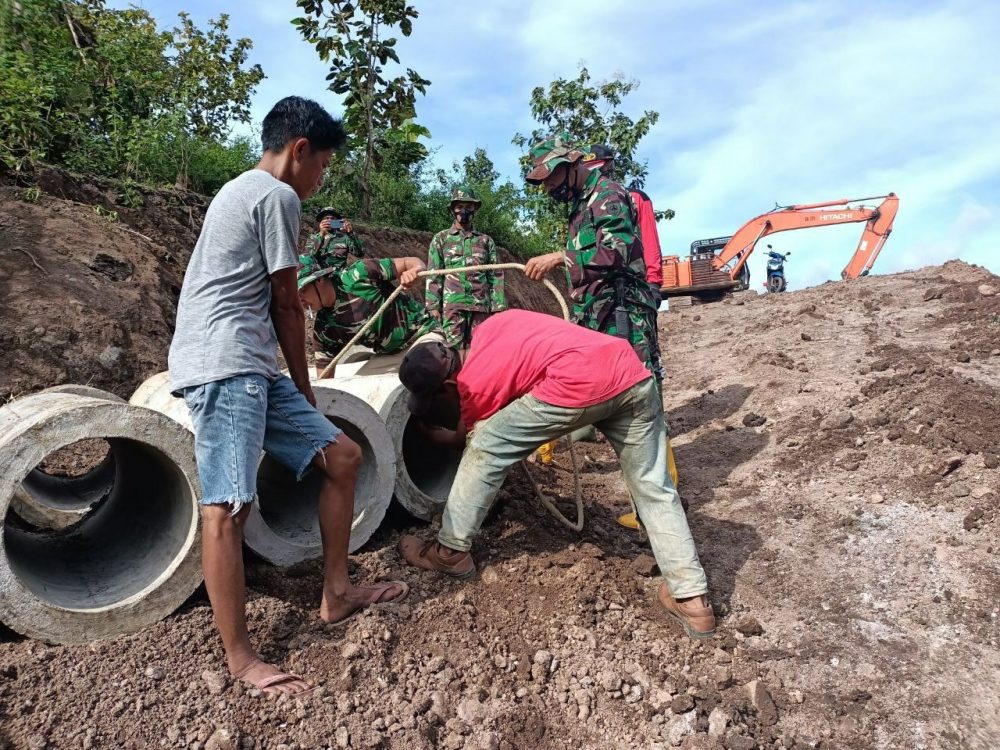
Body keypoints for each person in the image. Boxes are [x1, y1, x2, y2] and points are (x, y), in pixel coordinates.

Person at [167, 96, 407, 697]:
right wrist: (304, 385)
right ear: (299, 150)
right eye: (323, 164)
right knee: (228, 507)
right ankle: (242, 659)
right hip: (227, 367)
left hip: (247, 363)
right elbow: (287, 302)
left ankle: (336, 593)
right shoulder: (275, 195)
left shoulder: (238, 190)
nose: (321, 177)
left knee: (343, 458)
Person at [395, 310, 715, 639]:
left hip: (577, 382)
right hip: (630, 372)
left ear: (448, 384)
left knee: (486, 446)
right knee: (653, 486)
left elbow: (471, 440)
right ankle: (691, 599)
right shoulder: (493, 325)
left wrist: (434, 436)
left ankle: (449, 553)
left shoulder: (475, 386)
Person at [522, 134, 662, 382]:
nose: (548, 187)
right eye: (544, 181)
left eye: (552, 177)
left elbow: (617, 251)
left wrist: (560, 257)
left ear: (573, 164)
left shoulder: (608, 194)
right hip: (595, 315)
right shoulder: (580, 205)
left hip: (623, 313)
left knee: (636, 390)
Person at [299, 252, 441, 374]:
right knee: (363, 393)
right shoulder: (324, 330)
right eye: (295, 295)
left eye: (303, 291)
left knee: (426, 370)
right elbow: (324, 377)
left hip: (423, 336)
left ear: (319, 280)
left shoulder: (359, 274)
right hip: (390, 355)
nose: (300, 300)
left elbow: (411, 262)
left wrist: (415, 270)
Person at [426, 186, 506, 352]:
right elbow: (433, 275)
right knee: (452, 351)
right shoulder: (441, 239)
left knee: (480, 351)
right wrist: (433, 306)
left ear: (474, 209)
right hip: (452, 306)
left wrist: (498, 308)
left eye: (469, 207)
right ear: (452, 210)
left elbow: (495, 276)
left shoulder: (486, 241)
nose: (464, 210)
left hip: (480, 306)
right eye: (459, 206)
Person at [305, 206, 365, 273]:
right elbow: (308, 257)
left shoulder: (345, 237)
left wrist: (351, 233)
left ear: (337, 221)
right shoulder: (313, 238)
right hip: (319, 277)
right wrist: (321, 234)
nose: (330, 220)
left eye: (332, 218)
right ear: (321, 221)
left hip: (337, 277)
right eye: (327, 218)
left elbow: (360, 253)